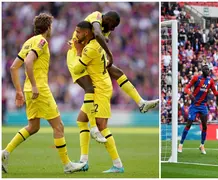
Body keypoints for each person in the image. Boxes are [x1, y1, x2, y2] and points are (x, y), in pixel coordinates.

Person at [2, 13, 86, 173]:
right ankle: (67, 165)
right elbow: (28, 62)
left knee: (33, 127)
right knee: (59, 126)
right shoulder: (42, 41)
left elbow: (14, 67)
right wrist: (34, 86)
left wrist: (19, 91)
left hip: (28, 90)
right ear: (48, 27)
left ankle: (5, 153)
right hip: (39, 89)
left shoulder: (28, 42)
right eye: (52, 26)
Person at [67, 11, 159, 142]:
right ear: (107, 19)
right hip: (76, 55)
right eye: (113, 25)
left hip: (89, 54)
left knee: (117, 72)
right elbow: (97, 34)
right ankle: (93, 127)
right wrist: (109, 54)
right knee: (89, 89)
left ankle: (141, 102)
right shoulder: (97, 17)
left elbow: (99, 39)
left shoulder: (105, 29)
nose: (113, 29)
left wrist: (104, 42)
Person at [73, 21, 124, 173]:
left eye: (78, 32)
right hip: (98, 88)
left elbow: (76, 69)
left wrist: (77, 51)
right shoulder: (95, 44)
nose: (76, 35)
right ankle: (83, 161)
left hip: (100, 90)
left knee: (102, 127)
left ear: (86, 33)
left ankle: (118, 165)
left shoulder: (89, 49)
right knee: (81, 120)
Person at [178, 65, 218, 154]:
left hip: (203, 106)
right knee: (189, 122)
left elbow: (215, 93)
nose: (208, 71)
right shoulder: (196, 78)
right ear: (202, 70)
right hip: (194, 105)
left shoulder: (210, 81)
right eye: (206, 69)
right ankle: (181, 144)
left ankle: (202, 145)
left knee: (205, 126)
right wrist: (190, 94)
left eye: (209, 70)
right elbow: (186, 88)